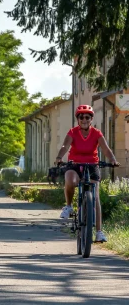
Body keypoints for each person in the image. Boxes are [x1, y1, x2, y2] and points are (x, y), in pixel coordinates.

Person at [55, 104, 120, 243]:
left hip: (92, 165)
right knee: (70, 181)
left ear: (91, 119)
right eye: (81, 117)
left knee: (95, 197)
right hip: (75, 164)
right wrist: (59, 157)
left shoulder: (97, 133)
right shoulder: (73, 132)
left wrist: (113, 160)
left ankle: (99, 232)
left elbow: (106, 149)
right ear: (77, 119)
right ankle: (69, 206)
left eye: (87, 117)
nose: (84, 119)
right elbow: (65, 146)